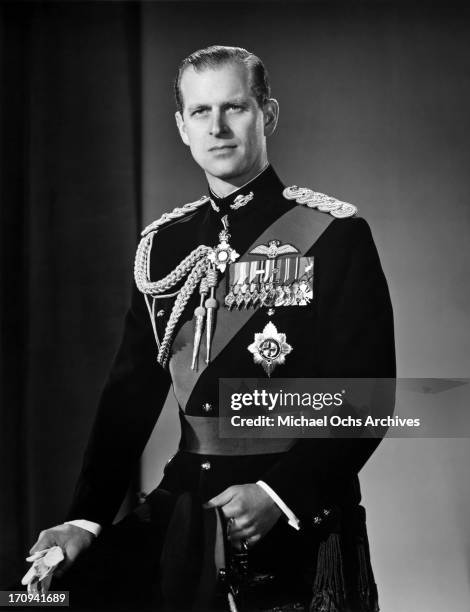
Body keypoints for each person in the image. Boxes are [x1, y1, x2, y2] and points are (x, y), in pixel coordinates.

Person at [28, 45, 395, 611]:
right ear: (182, 126)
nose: (218, 127)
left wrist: (280, 493)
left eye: (235, 108)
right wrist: (86, 518)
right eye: (200, 112)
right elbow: (128, 399)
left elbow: (367, 400)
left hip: (293, 514)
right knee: (41, 598)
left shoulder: (334, 235)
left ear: (267, 114)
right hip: (188, 505)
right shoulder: (163, 247)